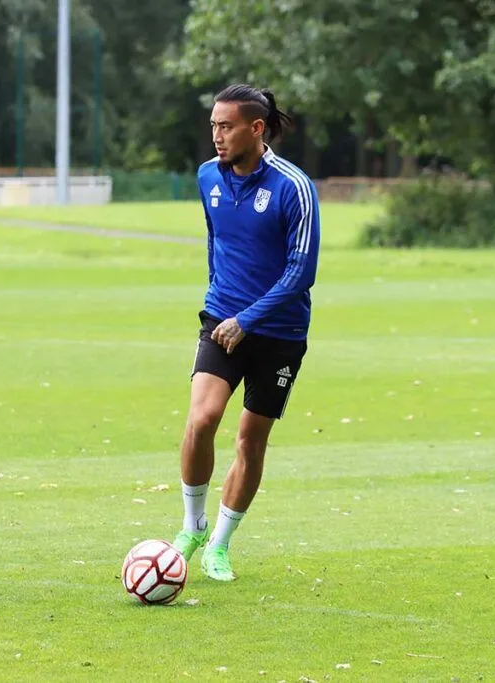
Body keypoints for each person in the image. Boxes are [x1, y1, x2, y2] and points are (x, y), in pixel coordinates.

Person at [171, 84, 321, 582]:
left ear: (256, 129)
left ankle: (220, 545)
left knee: (250, 441)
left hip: (277, 332)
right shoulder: (207, 176)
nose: (216, 135)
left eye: (226, 126)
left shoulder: (293, 187)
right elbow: (217, 243)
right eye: (213, 125)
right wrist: (224, 308)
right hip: (222, 320)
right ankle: (192, 526)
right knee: (201, 419)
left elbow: (301, 273)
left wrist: (249, 319)